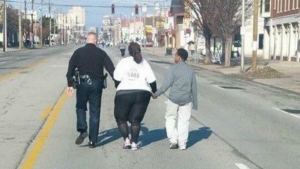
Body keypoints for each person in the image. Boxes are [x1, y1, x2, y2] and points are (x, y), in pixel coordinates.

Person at [66, 32, 115, 148]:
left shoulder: (78, 52)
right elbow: (111, 69)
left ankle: (83, 130)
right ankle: (93, 140)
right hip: (97, 84)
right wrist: (118, 83)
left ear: (86, 40)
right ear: (96, 41)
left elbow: (70, 69)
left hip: (82, 83)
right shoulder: (101, 53)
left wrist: (70, 85)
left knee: (81, 107)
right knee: (95, 111)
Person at [113, 42, 157, 151]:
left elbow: (117, 78)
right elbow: (152, 80)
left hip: (124, 92)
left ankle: (126, 140)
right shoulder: (144, 63)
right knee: (136, 121)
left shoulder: (123, 61)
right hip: (143, 93)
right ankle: (134, 143)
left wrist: (119, 87)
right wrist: (154, 91)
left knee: (121, 118)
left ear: (129, 51)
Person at [153, 48, 198, 150]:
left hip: (173, 98)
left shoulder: (173, 69)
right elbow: (194, 88)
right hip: (186, 100)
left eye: (175, 55)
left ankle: (173, 140)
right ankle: (182, 144)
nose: (174, 57)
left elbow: (166, 85)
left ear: (179, 57)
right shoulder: (190, 70)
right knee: (184, 121)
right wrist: (195, 103)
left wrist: (157, 94)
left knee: (170, 118)